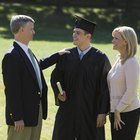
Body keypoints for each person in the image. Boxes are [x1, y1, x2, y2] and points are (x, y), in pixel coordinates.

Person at [2, 15, 69, 140]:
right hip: (22, 116)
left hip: (34, 112)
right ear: (21, 30)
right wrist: (17, 117)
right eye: (31, 29)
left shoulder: (25, 51)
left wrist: (57, 55)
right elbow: (12, 90)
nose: (34, 32)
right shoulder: (11, 56)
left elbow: (36, 66)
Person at [50, 15, 111, 140]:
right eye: (73, 32)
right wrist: (58, 92)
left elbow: (105, 87)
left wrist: (102, 112)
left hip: (90, 110)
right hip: (68, 109)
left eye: (78, 33)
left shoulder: (100, 58)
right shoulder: (66, 55)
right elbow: (55, 76)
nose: (74, 35)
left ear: (88, 36)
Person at [107, 26, 140, 140]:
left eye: (116, 38)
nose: (112, 41)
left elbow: (131, 91)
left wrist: (118, 110)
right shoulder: (119, 59)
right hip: (116, 112)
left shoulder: (131, 62)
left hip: (126, 113)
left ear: (125, 41)